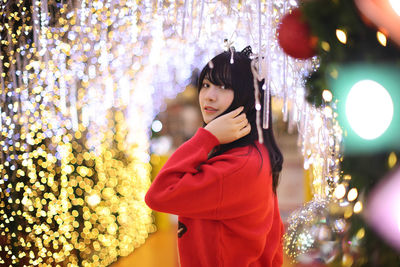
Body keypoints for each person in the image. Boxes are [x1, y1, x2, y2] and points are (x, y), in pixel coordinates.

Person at [145, 47, 284, 267]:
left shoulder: (239, 165)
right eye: (206, 85)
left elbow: (159, 195)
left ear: (246, 96)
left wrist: (206, 137)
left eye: (224, 86)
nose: (209, 95)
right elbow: (274, 237)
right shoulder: (253, 153)